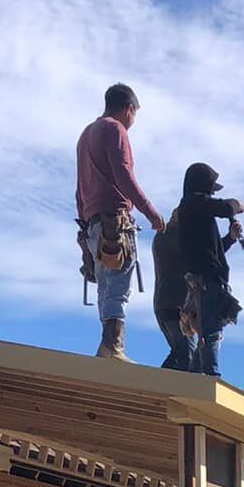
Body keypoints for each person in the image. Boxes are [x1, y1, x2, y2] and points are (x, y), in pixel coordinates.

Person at [75, 83, 164, 360]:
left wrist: (83, 226)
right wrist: (151, 212)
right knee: (117, 285)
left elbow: (80, 187)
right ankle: (112, 346)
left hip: (92, 222)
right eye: (134, 114)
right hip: (115, 219)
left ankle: (107, 346)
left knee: (105, 285)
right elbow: (124, 175)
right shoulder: (115, 129)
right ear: (129, 108)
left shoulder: (86, 133)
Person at [174, 162, 244, 378]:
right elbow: (224, 207)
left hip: (205, 279)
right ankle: (211, 376)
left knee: (208, 326)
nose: (211, 194)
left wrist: (231, 239)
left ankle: (196, 375)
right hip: (206, 281)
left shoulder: (195, 210)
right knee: (211, 330)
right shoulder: (193, 204)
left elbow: (212, 251)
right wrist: (235, 205)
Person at [149, 212, 195, 370]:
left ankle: (154, 387)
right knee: (187, 354)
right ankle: (157, 389)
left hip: (164, 304)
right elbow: (204, 253)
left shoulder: (164, 235)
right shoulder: (173, 236)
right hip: (175, 305)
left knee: (179, 352)